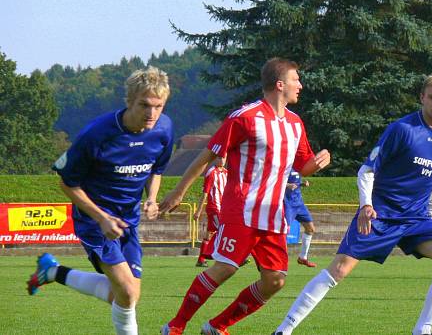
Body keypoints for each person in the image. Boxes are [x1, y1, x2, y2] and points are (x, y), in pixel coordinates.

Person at [273, 74, 432, 335]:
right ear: (422, 97)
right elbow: (367, 170)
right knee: (339, 269)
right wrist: (366, 206)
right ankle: (284, 329)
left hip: (416, 218)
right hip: (380, 214)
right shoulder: (402, 129)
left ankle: (423, 330)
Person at [159, 57, 330, 335]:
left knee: (275, 281)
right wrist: (179, 190)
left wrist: (318, 162)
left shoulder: (296, 124)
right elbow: (209, 154)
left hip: (273, 215)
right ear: (279, 84)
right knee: (225, 267)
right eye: (296, 79)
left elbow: (303, 166)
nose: (300, 85)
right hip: (242, 209)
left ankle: (216, 327)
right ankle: (175, 326)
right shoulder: (246, 118)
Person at [27, 66, 174, 335]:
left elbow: (157, 170)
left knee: (124, 296)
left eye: (158, 106)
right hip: (94, 219)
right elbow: (67, 182)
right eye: (144, 105)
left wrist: (152, 199)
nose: (151, 114)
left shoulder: (164, 128)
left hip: (127, 220)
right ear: (129, 100)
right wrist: (101, 217)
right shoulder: (96, 134)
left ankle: (52, 272)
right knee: (126, 292)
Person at [193, 157, 228, 267]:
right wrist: (198, 211)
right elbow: (205, 193)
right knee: (224, 231)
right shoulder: (211, 173)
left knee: (210, 234)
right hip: (214, 207)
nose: (222, 160)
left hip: (223, 208)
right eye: (220, 158)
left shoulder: (226, 172)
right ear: (215, 159)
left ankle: (201, 259)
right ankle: (230, 258)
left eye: (224, 158)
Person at [284, 169, 317, 267]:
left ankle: (303, 257)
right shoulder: (286, 165)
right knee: (284, 232)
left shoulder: (299, 168)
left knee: (310, 229)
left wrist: (303, 184)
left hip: (299, 204)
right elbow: (275, 181)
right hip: (288, 204)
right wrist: (288, 185)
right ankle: (278, 258)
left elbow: (296, 183)